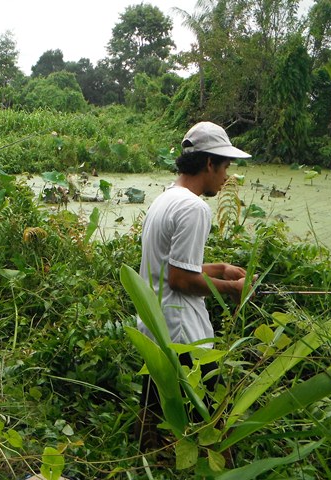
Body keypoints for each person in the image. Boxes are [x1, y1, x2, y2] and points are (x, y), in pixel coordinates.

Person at [136, 121, 253, 447]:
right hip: (183, 336)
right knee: (209, 425)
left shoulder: (165, 199)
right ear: (209, 163)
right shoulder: (194, 208)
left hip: (155, 327)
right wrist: (233, 290)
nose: (227, 176)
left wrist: (220, 268)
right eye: (226, 166)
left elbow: (166, 266)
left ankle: (148, 463)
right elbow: (180, 279)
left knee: (154, 417)